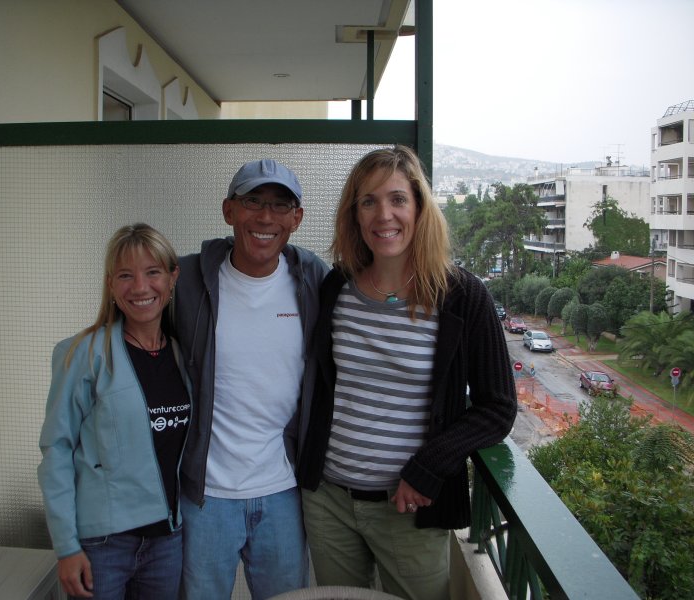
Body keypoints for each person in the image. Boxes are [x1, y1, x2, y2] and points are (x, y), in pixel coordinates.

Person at [297, 146, 517, 600]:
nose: (384, 215)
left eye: (398, 199)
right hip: (329, 503)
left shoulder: (461, 296)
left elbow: (498, 408)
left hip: (410, 509)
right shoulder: (336, 286)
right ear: (354, 215)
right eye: (369, 201)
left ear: (419, 208)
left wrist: (428, 467)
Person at [172, 159, 329, 599]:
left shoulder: (315, 282)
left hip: (282, 491)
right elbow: (135, 321)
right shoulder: (185, 283)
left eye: (280, 206)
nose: (265, 217)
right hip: (206, 494)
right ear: (228, 210)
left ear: (296, 219)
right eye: (253, 202)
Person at [38, 223, 191, 599]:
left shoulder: (182, 353)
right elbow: (56, 450)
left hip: (166, 540)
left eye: (153, 272)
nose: (140, 287)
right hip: (103, 544)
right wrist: (67, 546)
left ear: (173, 277)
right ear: (110, 284)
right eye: (126, 275)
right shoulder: (84, 355)